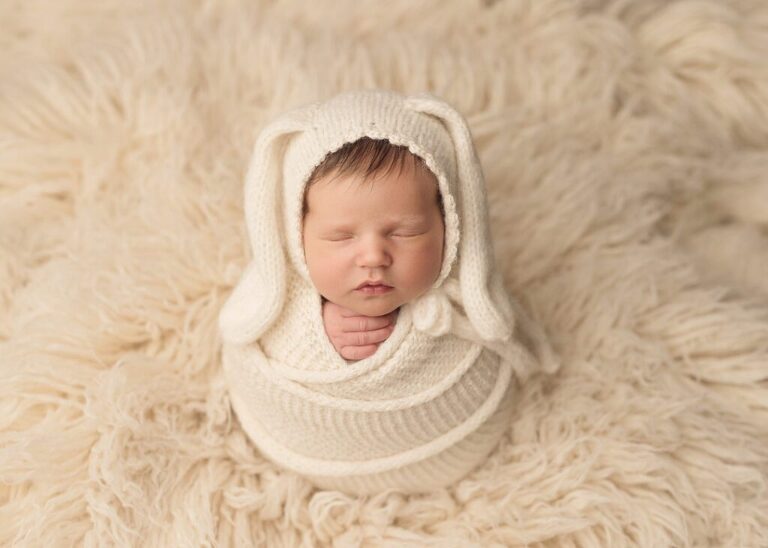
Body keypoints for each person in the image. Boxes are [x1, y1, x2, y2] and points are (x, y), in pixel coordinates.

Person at [218, 89, 559, 495]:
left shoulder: (464, 306)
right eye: (341, 237)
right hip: (315, 448)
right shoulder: (274, 299)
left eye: (405, 232)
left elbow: (495, 334)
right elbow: (254, 349)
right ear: (295, 236)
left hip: (449, 447)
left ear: (449, 223)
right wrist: (316, 327)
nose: (374, 257)